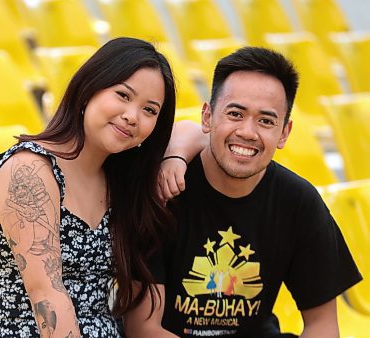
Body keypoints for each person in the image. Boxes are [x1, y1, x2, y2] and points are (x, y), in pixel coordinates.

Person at [123, 46, 362, 337]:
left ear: (284, 132)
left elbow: (322, 325)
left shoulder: (299, 202)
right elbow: (143, 328)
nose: (248, 132)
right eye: (235, 114)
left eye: (265, 121)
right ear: (208, 117)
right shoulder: (163, 192)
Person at [0, 37, 176, 338]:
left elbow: (198, 133)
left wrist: (178, 158)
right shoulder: (29, 171)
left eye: (149, 110)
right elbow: (48, 298)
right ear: (89, 90)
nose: (132, 116)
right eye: (122, 95)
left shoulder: (120, 182)